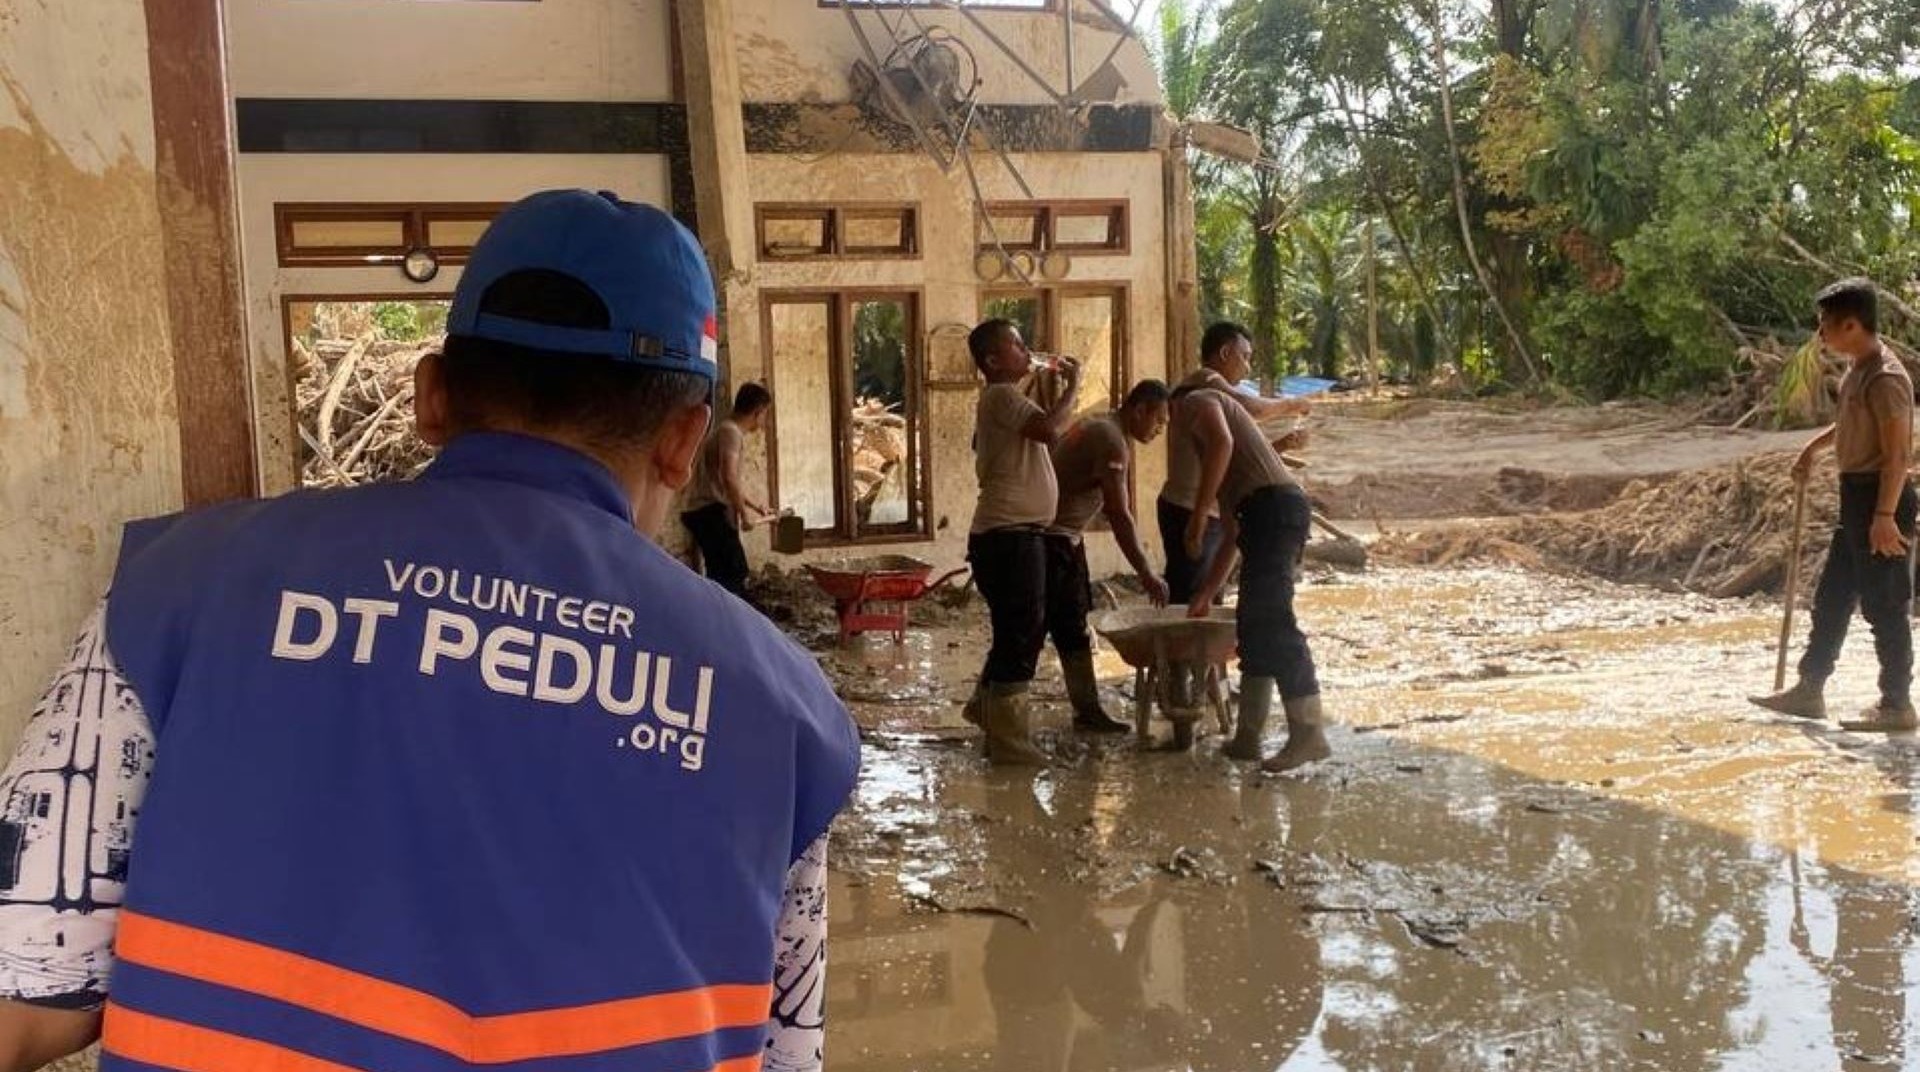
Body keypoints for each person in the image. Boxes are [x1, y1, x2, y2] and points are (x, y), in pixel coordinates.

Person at [0, 190, 861, 1072]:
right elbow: (785, 1050)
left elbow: (25, 997)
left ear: (432, 396)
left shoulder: (180, 587)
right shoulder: (785, 712)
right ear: (684, 440)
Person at [1752, 279, 1918, 731]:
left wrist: (1884, 517)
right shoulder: (1857, 369)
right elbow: (1848, 423)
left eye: (1825, 324)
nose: (1820, 333)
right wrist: (1814, 448)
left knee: (1885, 605)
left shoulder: (1885, 378)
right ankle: (1810, 689)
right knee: (1832, 598)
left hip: (1881, 498)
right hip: (1857, 497)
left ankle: (1897, 705)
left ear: (1851, 324)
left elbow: (1898, 454)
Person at [1178, 321, 1330, 772]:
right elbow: (1230, 528)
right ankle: (1248, 738)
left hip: (1276, 510)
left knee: (1274, 620)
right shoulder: (1215, 429)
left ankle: (1309, 733)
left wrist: (1193, 516)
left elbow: (1222, 445)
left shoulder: (1200, 399)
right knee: (1253, 621)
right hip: (1264, 514)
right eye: (1244, 357)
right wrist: (1207, 592)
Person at [965, 318, 1081, 766]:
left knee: (1015, 630)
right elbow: (1050, 431)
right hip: (1008, 535)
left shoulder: (1005, 399)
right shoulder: (1000, 395)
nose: (1026, 349)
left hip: (1011, 534)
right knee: (1023, 632)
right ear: (993, 360)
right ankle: (1010, 743)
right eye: (1016, 344)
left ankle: (986, 709)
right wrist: (1074, 386)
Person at [1045, 379, 1174, 733]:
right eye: (1159, 421)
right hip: (1053, 540)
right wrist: (1146, 571)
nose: (1161, 430)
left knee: (1058, 627)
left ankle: (1084, 710)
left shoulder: (1098, 423)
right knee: (1064, 630)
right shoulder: (1111, 440)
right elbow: (1118, 513)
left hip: (1061, 538)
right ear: (1139, 410)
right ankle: (1086, 712)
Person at [1158, 324, 1310, 604]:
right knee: (1192, 593)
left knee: (1206, 595)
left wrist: (1282, 445)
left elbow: (1235, 460)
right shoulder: (1206, 381)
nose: (1248, 368)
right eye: (1245, 356)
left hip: (1206, 507)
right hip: (1191, 505)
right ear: (1225, 352)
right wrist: (1292, 405)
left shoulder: (1211, 401)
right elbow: (1244, 416)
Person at [683, 381, 774, 596]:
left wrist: (754, 506)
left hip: (706, 511)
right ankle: (724, 624)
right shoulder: (730, 433)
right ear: (758, 411)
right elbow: (729, 477)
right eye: (765, 414)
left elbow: (726, 480)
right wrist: (744, 515)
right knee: (732, 573)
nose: (764, 421)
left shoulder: (725, 430)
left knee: (725, 572)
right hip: (710, 512)